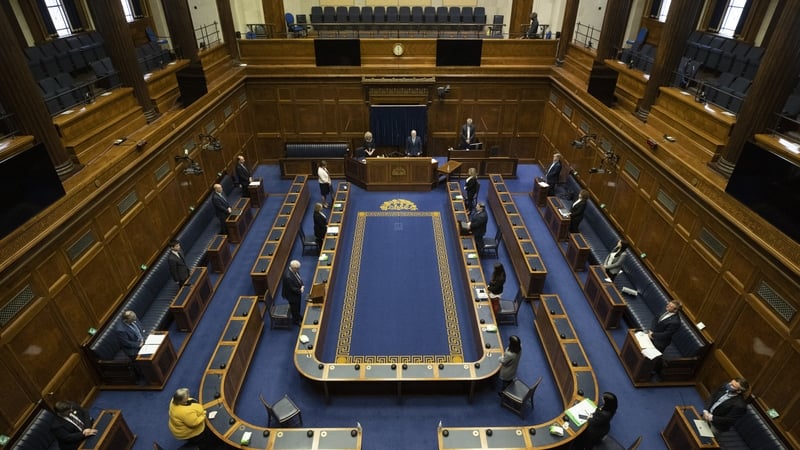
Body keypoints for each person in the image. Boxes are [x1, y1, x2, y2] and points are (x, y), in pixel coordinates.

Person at [282, 260, 304, 325]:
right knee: (294, 308)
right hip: (292, 296)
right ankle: (296, 320)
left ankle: (298, 315)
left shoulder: (294, 271)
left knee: (297, 306)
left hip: (296, 293)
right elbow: (292, 288)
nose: (298, 270)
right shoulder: (288, 277)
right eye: (297, 269)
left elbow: (298, 278)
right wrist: (300, 290)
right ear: (293, 268)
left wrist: (302, 284)